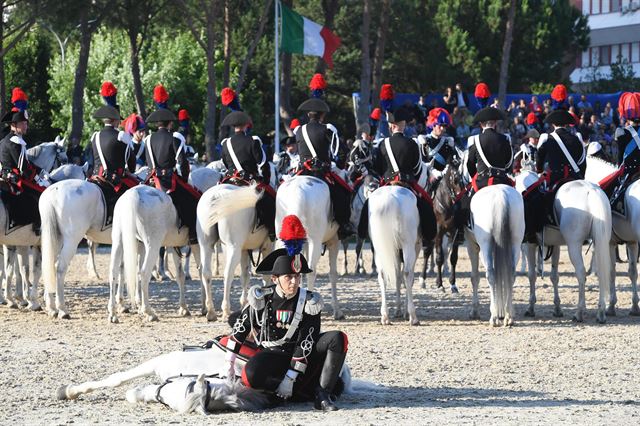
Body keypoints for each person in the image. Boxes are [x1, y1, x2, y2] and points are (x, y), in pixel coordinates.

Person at [218, 215, 348, 412]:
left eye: (297, 277)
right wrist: (229, 364)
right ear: (275, 278)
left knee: (338, 338)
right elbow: (240, 329)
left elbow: (306, 341)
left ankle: (322, 395)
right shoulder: (261, 297)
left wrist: (290, 377)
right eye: (289, 277)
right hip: (272, 354)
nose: (295, 282)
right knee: (250, 375)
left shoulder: (309, 301)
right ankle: (275, 392)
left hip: (302, 354)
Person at [360, 107, 436, 243]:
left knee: (368, 205)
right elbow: (418, 169)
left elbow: (376, 168)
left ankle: (362, 233)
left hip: (387, 183)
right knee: (427, 208)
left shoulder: (382, 144)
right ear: (404, 125)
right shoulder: (412, 143)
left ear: (391, 126)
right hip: (407, 184)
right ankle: (426, 238)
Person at [145, 84, 200, 244]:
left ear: (157, 124)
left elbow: (149, 163)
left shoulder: (148, 139)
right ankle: (192, 235)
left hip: (152, 180)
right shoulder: (175, 139)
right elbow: (183, 164)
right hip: (169, 181)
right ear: (170, 124)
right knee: (191, 202)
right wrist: (183, 178)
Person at [294, 97, 355, 239]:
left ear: (308, 115)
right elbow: (341, 152)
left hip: (302, 171)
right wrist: (339, 167)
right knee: (344, 193)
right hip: (321, 172)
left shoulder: (298, 130)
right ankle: (344, 225)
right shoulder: (327, 129)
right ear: (322, 115)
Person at [220, 110, 276, 240]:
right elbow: (263, 164)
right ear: (246, 125)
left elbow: (224, 163)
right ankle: (272, 231)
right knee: (270, 201)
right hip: (248, 181)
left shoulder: (225, 143)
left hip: (229, 180)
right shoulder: (253, 141)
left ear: (233, 127)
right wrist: (266, 181)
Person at [0, 87, 45, 233]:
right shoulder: (16, 141)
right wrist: (38, 178)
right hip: (15, 179)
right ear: (15, 125)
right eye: (23, 123)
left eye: (26, 122)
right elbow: (23, 168)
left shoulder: (8, 139)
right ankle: (38, 226)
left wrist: (39, 170)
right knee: (42, 193)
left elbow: (25, 162)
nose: (26, 125)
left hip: (7, 175)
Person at [466, 107, 514, 192]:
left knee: (468, 202)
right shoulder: (505, 138)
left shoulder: (475, 140)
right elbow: (509, 163)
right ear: (495, 123)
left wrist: (476, 176)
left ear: (481, 124)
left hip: (482, 182)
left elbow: (470, 164)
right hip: (502, 180)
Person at [418, 107, 456, 172]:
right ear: (433, 125)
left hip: (443, 177)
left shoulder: (448, 142)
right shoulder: (424, 140)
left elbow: (451, 161)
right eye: (440, 125)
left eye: (444, 126)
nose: (442, 129)